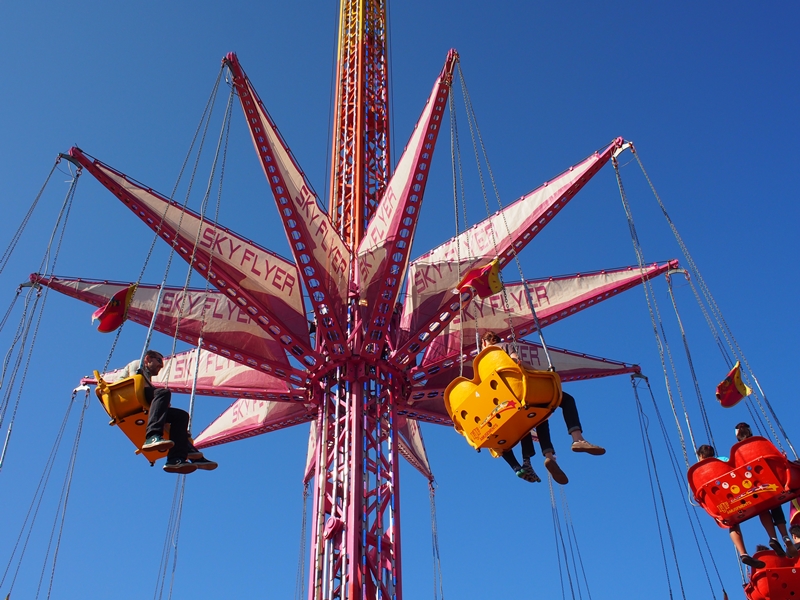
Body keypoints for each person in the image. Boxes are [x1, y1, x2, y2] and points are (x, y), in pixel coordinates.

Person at [479, 332, 604, 485]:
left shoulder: (480, 364)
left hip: (501, 404)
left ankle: (541, 460)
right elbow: (515, 361)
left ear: (484, 343)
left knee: (535, 417)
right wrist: (542, 374)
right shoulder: (504, 346)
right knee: (562, 401)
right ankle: (576, 440)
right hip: (520, 392)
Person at [119, 350, 217, 474]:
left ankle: (177, 458)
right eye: (159, 361)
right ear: (148, 358)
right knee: (163, 393)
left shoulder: (147, 377)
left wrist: (160, 403)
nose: (161, 365)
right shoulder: (137, 365)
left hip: (139, 400)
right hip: (125, 397)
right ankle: (152, 436)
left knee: (180, 416)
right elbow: (135, 384)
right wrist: (160, 399)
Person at [696, 444, 766, 569]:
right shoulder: (723, 460)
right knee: (763, 507)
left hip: (721, 503)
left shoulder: (698, 471)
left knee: (732, 523)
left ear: (700, 456)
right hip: (738, 494)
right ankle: (778, 537)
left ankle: (743, 552)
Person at [734, 422, 798, 558]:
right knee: (775, 502)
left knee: (762, 507)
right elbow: (777, 458)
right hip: (771, 484)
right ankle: (785, 536)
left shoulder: (737, 452)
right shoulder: (760, 443)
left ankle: (773, 538)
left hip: (754, 489)